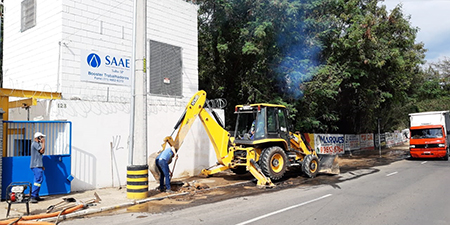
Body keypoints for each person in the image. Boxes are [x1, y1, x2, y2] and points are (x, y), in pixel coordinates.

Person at [30, 132, 46, 203]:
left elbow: (38, 156)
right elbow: (42, 151)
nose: (42, 138)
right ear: (38, 137)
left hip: (38, 165)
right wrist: (43, 143)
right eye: (41, 137)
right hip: (36, 166)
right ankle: (33, 196)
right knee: (38, 180)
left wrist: (41, 165)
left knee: (38, 180)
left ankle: (36, 195)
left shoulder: (37, 144)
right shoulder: (35, 144)